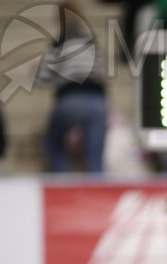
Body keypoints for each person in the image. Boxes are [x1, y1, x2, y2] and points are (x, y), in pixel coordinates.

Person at [37, 2, 107, 173]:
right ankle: (96, 185)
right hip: (97, 101)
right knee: (95, 155)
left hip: (70, 99)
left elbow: (44, 77)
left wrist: (36, 70)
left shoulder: (59, 44)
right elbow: (102, 72)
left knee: (53, 144)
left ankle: (60, 182)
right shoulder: (91, 42)